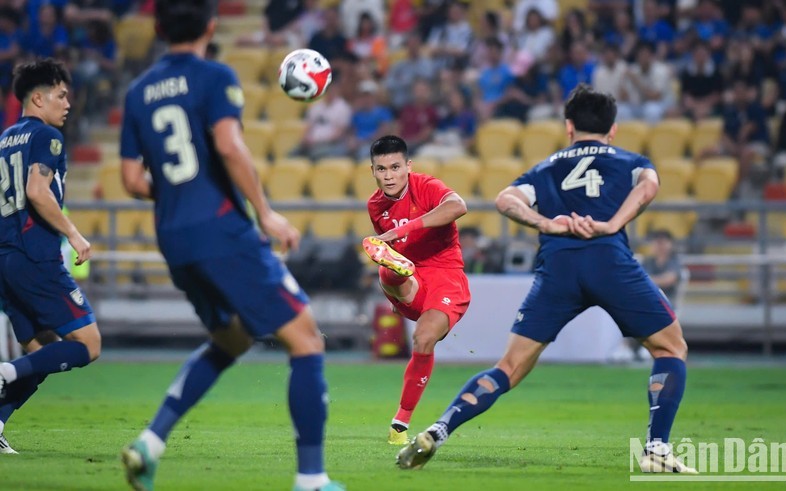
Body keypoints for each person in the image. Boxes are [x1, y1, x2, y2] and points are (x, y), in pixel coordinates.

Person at [396, 85, 697, 475]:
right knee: (670, 348)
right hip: (609, 260)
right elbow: (649, 186)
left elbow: (505, 199)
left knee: (509, 366)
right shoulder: (629, 160)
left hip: (558, 268)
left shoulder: (547, 167)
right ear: (613, 129)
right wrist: (611, 224)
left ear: (569, 126)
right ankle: (656, 448)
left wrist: (545, 223)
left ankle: (438, 430)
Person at [117, 2, 343, 490]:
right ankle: (312, 480)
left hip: (173, 237)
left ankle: (149, 444)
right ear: (211, 26)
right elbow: (228, 144)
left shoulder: (137, 92)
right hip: (221, 230)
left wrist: (178, 191)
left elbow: (132, 179)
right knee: (305, 339)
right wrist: (265, 213)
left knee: (231, 339)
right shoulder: (215, 76)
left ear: (158, 28)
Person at [0, 58, 101, 454]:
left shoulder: (5, 139)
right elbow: (38, 192)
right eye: (61, 95)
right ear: (37, 98)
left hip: (6, 259)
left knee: (42, 354)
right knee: (88, 344)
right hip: (35, 255)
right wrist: (74, 235)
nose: (68, 104)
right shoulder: (47, 137)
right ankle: (4, 372)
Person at [361, 135, 470, 446]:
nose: (389, 175)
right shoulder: (375, 205)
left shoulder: (426, 185)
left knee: (423, 339)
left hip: (446, 277)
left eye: (395, 167)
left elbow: (458, 206)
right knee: (386, 268)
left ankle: (399, 425)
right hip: (411, 285)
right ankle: (395, 278)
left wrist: (400, 230)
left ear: (408, 166)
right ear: (373, 171)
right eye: (381, 169)